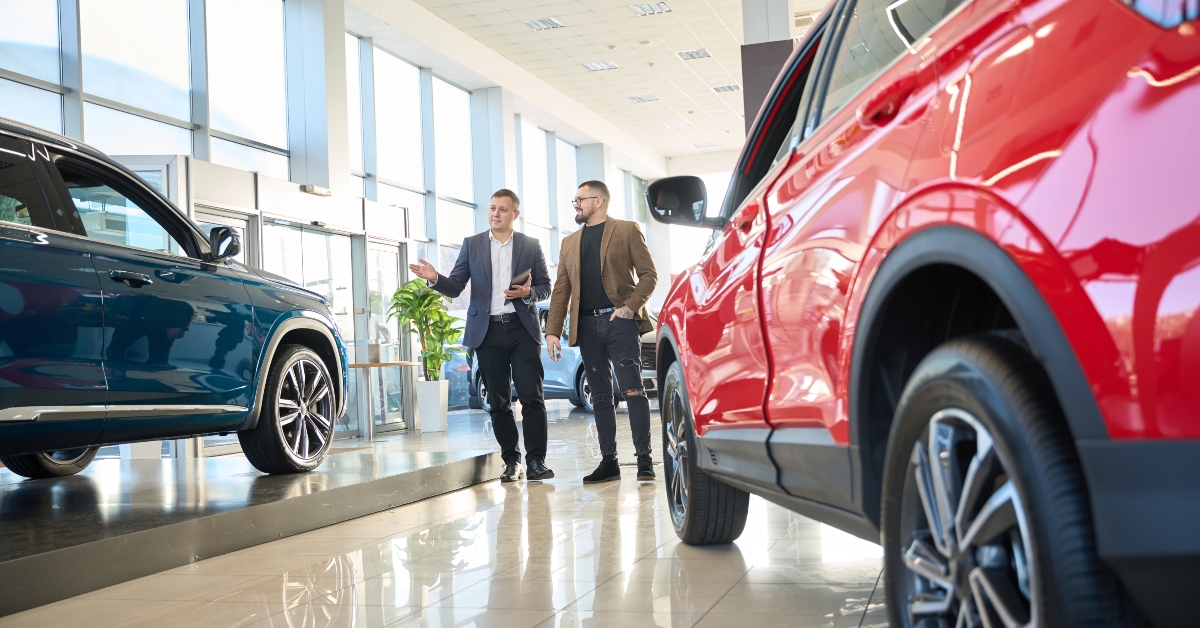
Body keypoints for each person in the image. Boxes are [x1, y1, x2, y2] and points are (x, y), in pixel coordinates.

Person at [408, 189, 553, 483]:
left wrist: (528, 293)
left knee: (532, 397)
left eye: (502, 209)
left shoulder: (530, 245)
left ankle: (536, 461)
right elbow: (456, 286)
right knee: (498, 402)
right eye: (492, 209)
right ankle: (512, 461)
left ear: (515, 214)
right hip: (487, 332)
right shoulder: (472, 245)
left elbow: (545, 287)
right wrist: (434, 278)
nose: (495, 214)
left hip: (522, 329)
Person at [545, 180, 657, 483]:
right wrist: (552, 331)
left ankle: (644, 459)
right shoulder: (569, 243)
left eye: (580, 199)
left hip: (618, 322)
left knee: (633, 390)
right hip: (586, 326)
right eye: (574, 200)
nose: (576, 205)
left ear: (599, 201)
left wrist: (629, 308)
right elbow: (561, 290)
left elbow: (649, 275)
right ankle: (609, 463)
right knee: (601, 396)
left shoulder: (626, 230)